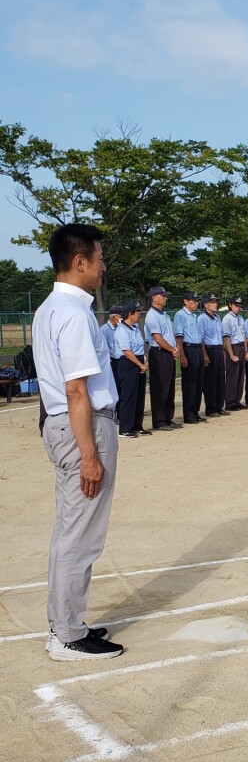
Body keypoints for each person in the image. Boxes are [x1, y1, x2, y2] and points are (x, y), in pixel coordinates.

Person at [32, 223, 124, 660]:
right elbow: (75, 390)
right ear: (80, 261)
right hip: (82, 427)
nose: (103, 267)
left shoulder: (51, 308)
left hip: (64, 424)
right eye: (99, 258)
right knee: (80, 535)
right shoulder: (72, 313)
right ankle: (67, 635)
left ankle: (66, 622)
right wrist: (89, 453)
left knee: (70, 529)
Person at [144, 286, 182, 431]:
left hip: (168, 353)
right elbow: (158, 339)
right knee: (160, 387)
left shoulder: (165, 315)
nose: (166, 298)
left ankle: (168, 417)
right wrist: (173, 349)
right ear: (154, 297)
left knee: (169, 387)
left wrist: (175, 348)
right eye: (163, 296)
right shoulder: (152, 316)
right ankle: (159, 420)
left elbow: (170, 334)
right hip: (159, 353)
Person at [115, 301, 150, 438]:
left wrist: (144, 362)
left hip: (139, 360)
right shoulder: (122, 331)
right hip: (128, 363)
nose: (139, 314)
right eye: (137, 312)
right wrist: (140, 364)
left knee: (139, 395)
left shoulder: (135, 328)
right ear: (130, 314)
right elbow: (127, 352)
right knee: (128, 395)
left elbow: (140, 348)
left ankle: (137, 425)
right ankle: (125, 428)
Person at [173, 290, 206, 424]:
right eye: (193, 301)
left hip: (197, 348)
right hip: (188, 348)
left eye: (197, 301)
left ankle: (195, 411)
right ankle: (188, 414)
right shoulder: (180, 315)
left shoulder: (194, 316)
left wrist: (204, 354)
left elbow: (199, 337)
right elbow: (179, 337)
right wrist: (183, 356)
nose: (196, 303)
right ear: (185, 301)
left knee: (198, 382)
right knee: (190, 384)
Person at [198, 293, 229, 418]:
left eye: (216, 302)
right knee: (210, 381)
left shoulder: (217, 318)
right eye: (212, 302)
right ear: (206, 304)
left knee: (220, 379)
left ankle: (219, 406)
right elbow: (201, 339)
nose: (215, 304)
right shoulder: (202, 319)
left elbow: (221, 336)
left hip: (218, 349)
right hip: (209, 350)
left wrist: (223, 352)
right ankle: (211, 408)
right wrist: (205, 355)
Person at [222, 295, 248, 411]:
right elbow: (226, 338)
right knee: (232, 375)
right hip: (233, 347)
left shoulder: (240, 319)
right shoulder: (227, 319)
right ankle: (230, 402)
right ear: (230, 306)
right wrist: (231, 354)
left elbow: (244, 336)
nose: (238, 308)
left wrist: (246, 351)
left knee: (240, 375)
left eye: (239, 306)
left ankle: (237, 400)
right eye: (236, 305)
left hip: (241, 346)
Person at [99, 304, 122, 414]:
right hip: (112, 362)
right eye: (121, 316)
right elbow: (103, 347)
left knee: (122, 387)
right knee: (115, 387)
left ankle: (121, 410)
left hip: (121, 361)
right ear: (114, 317)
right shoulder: (104, 330)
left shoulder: (121, 328)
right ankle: (114, 411)